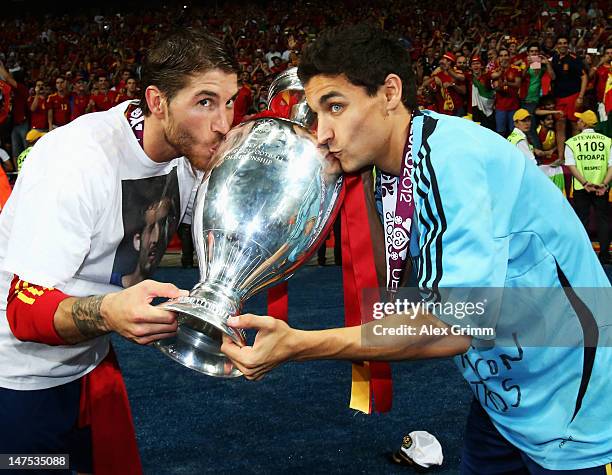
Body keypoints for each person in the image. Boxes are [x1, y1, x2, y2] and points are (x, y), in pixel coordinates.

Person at [221, 25, 612, 474]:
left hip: (576, 407)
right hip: (504, 396)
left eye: (335, 107)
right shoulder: (393, 167)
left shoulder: (452, 159)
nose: (322, 133)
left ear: (390, 92)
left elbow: (453, 326)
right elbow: (436, 303)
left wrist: (302, 345)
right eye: (316, 113)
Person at [0, 28, 238, 472]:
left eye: (229, 101)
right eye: (205, 102)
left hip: (88, 361)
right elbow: (23, 313)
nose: (224, 123)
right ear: (157, 101)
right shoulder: (76, 160)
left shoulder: (188, 154)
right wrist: (110, 312)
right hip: (18, 379)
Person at [564, 110, 612, 264]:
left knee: (582, 221)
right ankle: (605, 256)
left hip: (581, 188)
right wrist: (604, 184)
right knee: (603, 220)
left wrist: (585, 183)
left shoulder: (572, 142)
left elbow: (571, 165)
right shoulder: (607, 141)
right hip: (601, 188)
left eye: (579, 120)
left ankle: (584, 257)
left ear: (584, 124)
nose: (577, 122)